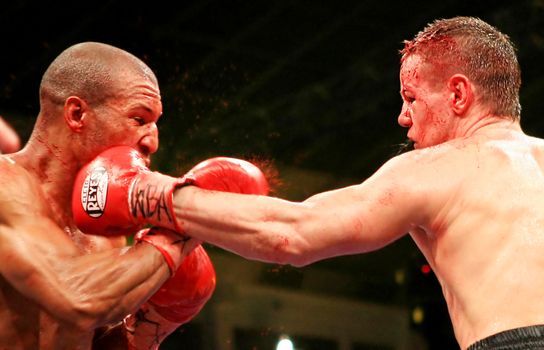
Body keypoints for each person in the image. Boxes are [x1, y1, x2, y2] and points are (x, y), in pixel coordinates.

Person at [73, 16, 544, 349]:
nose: (403, 117)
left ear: (459, 93)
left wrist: (147, 193)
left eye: (411, 97)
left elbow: (293, 234)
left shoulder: (446, 163)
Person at [0, 41, 235, 349]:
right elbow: (74, 299)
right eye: (139, 119)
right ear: (77, 113)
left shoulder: (106, 230)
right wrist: (177, 234)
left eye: (155, 124)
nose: (152, 142)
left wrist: (159, 322)